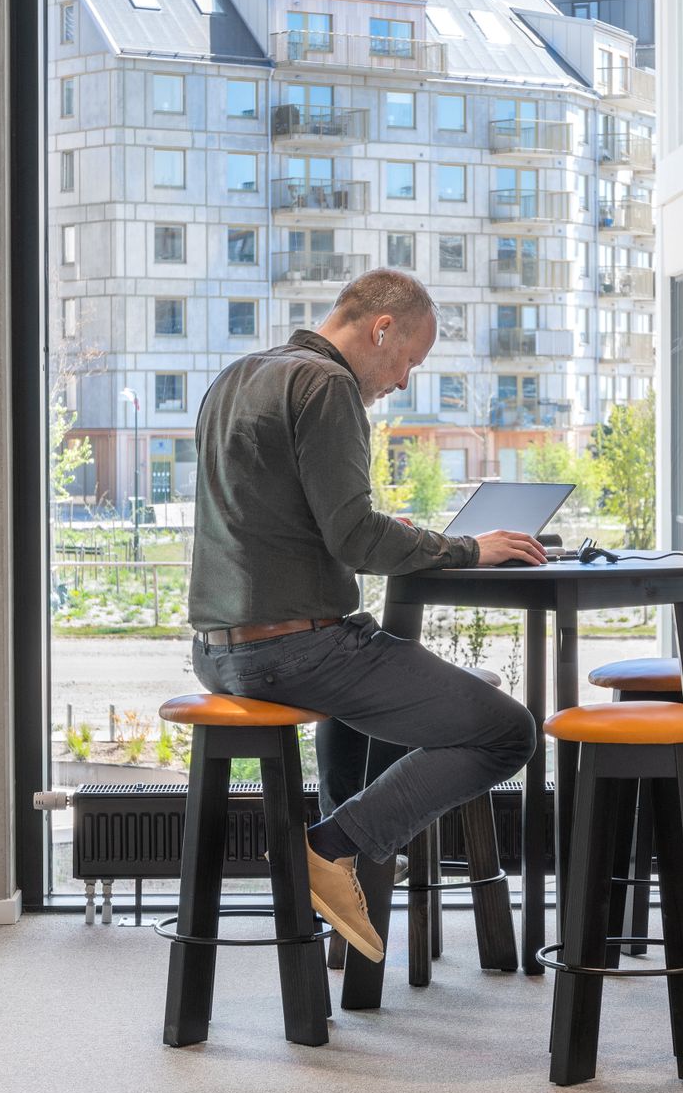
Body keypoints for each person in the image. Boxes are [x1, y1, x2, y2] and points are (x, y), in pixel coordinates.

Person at [188, 268, 544, 961]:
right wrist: (470, 548)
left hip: (221, 653)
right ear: (381, 328)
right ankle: (328, 847)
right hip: (297, 653)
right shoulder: (328, 387)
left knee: (363, 680)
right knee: (508, 732)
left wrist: (385, 529)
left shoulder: (236, 377)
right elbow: (355, 540)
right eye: (409, 359)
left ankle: (347, 844)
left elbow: (286, 522)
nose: (405, 379)